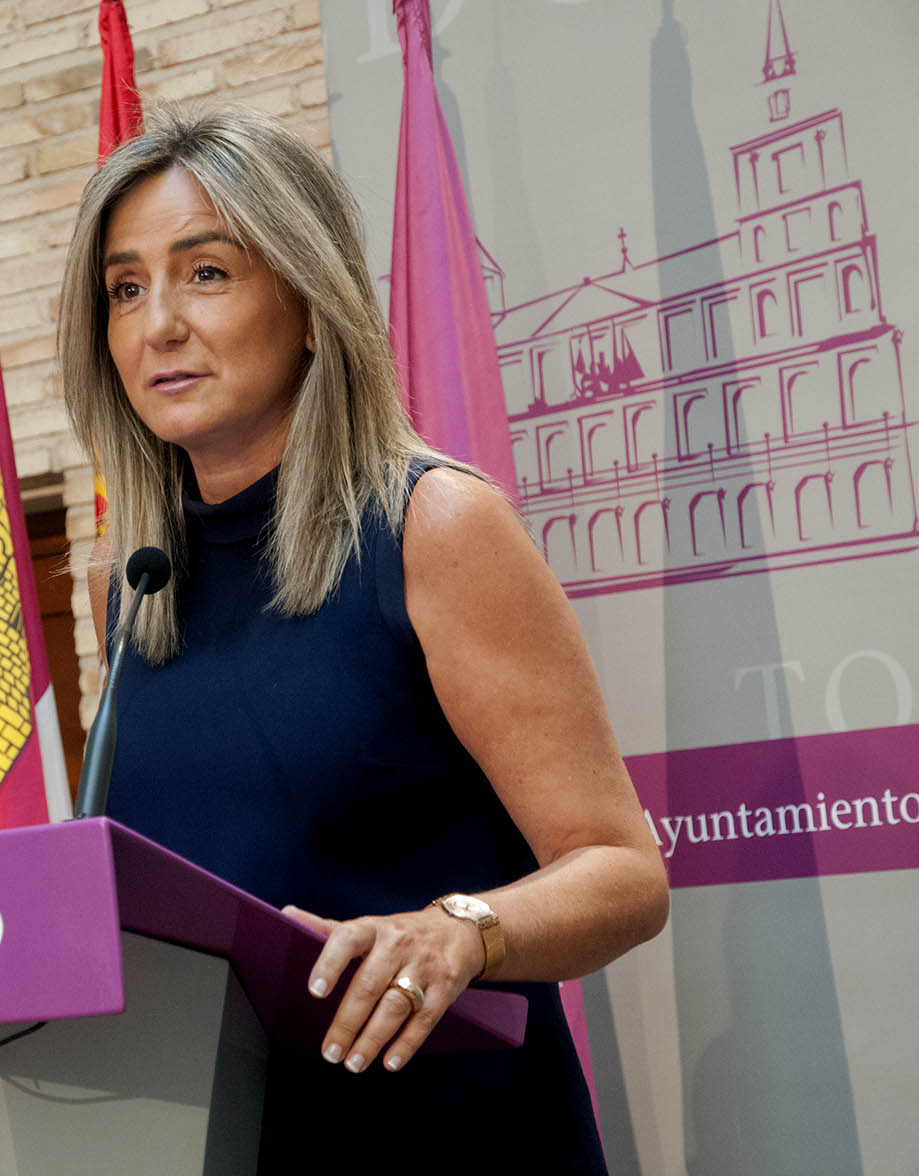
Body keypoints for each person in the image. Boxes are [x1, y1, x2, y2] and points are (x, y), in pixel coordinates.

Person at [58, 104, 669, 1171]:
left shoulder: (431, 528)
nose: (156, 323)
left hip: (443, 1136)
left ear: (306, 301)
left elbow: (620, 872)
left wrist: (458, 930)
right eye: (123, 288)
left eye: (204, 273)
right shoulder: (134, 584)